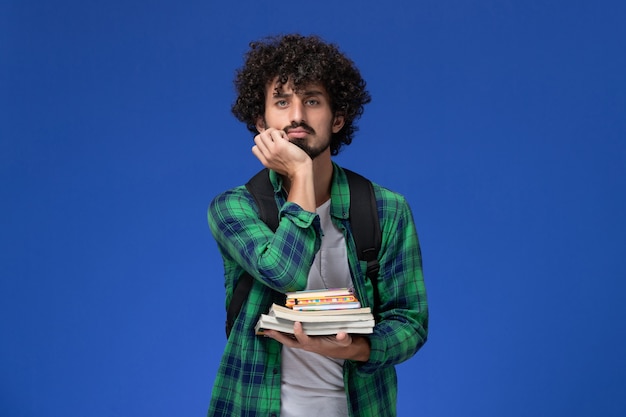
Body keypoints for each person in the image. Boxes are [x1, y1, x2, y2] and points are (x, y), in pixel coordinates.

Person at [207, 34, 428, 417]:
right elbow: (284, 272)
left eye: (311, 100)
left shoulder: (386, 209)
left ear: (337, 117)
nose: (296, 116)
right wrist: (301, 172)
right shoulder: (234, 207)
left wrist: (357, 349)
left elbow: (411, 321)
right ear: (261, 122)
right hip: (255, 407)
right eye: (281, 102)